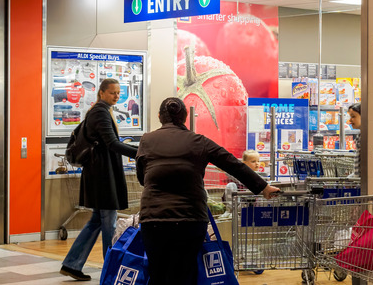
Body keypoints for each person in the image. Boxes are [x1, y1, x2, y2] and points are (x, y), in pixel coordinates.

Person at [136, 97, 280, 285]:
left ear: (159, 117)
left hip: (154, 219)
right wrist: (263, 187)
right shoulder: (199, 141)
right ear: (185, 118)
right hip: (190, 219)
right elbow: (232, 163)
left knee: (158, 274)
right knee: (186, 273)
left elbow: (141, 178)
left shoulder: (147, 140)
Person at [60, 78, 138, 281]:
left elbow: (111, 143)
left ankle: (72, 264)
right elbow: (112, 143)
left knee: (97, 220)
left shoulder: (101, 111)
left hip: (99, 173)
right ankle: (110, 268)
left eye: (118, 92)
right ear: (102, 93)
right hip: (103, 175)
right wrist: (140, 152)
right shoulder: (100, 112)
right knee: (109, 223)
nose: (116, 96)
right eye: (112, 92)